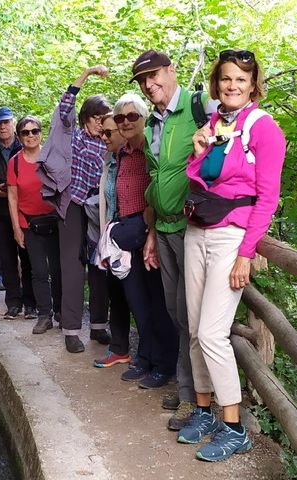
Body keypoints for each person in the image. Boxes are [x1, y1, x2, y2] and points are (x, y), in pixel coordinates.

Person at [178, 49, 286, 462]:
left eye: (241, 79)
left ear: (253, 85)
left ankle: (234, 426)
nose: (232, 86)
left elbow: (267, 197)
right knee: (193, 329)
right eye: (226, 79)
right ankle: (203, 411)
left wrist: (246, 254)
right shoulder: (216, 122)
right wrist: (198, 149)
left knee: (211, 333)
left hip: (230, 238)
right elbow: (201, 177)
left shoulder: (263, 128)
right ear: (216, 84)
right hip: (197, 230)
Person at [129, 50, 219, 429]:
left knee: (193, 316)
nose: (150, 85)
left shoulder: (200, 106)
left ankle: (195, 399)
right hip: (164, 230)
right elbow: (156, 181)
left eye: (155, 76)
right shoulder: (154, 122)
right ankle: (189, 388)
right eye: (143, 81)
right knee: (176, 313)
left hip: (194, 229)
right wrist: (151, 232)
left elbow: (241, 124)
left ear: (172, 71)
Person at [98, 94, 179, 388]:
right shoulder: (123, 153)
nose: (125, 122)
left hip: (147, 230)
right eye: (120, 118)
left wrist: (150, 226)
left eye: (132, 116)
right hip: (127, 230)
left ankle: (164, 363)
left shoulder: (150, 150)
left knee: (158, 302)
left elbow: (160, 190)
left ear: (144, 118)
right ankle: (144, 357)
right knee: (138, 304)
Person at [38, 66, 112, 353]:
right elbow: (65, 105)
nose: (100, 124)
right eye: (96, 117)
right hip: (72, 205)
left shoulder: (107, 143)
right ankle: (70, 330)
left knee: (98, 264)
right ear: (85, 118)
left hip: (98, 207)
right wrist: (88, 73)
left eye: (104, 119)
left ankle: (98, 325)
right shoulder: (71, 134)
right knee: (71, 266)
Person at [0, 107, 37, 319]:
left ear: (13, 124)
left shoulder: (26, 144)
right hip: (1, 213)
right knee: (7, 260)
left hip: (26, 213)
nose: (2, 126)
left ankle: (31, 303)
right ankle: (13, 303)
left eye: (6, 122)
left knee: (29, 259)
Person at [7, 116, 61, 334]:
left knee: (58, 270)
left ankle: (61, 312)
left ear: (41, 132)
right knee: (39, 271)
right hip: (29, 223)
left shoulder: (51, 157)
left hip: (55, 220)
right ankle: (44, 314)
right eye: (25, 132)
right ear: (19, 136)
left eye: (34, 130)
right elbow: (12, 197)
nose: (31, 135)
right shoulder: (15, 162)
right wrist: (16, 228)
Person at [92, 113, 132, 368]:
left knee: (136, 295)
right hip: (111, 236)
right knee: (115, 293)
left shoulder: (134, 158)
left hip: (130, 234)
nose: (103, 137)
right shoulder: (110, 160)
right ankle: (119, 348)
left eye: (108, 133)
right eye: (102, 133)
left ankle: (153, 358)